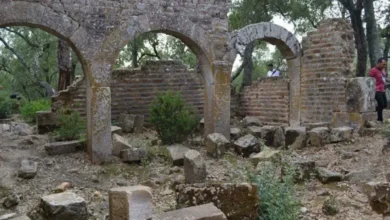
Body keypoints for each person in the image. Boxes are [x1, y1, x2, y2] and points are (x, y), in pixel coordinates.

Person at [369, 58, 388, 123]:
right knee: (381, 104)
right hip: (376, 90)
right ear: (378, 63)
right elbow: (369, 80)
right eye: (383, 64)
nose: (384, 66)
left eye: (385, 65)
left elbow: (384, 78)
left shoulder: (383, 70)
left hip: (382, 90)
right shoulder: (373, 70)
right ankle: (380, 119)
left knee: (385, 105)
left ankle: (373, 109)